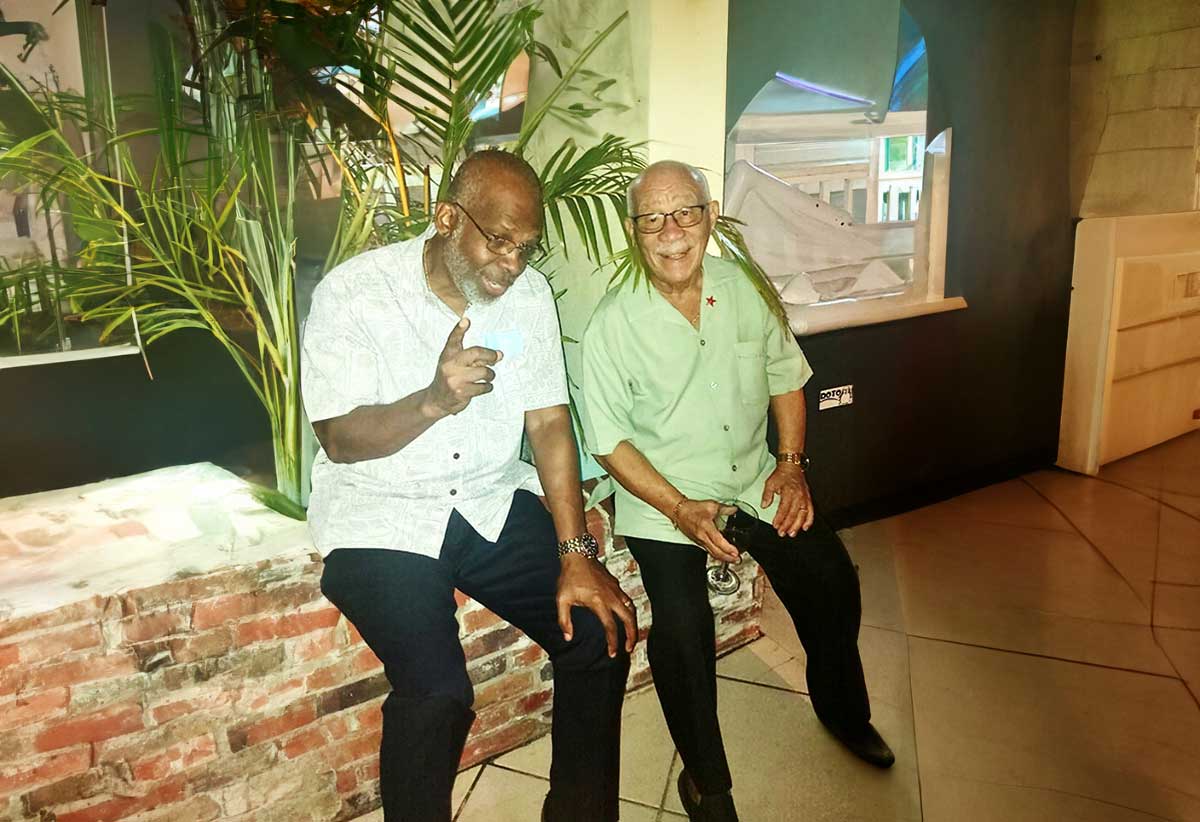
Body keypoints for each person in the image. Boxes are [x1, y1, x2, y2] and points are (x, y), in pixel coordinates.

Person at [301, 149, 637, 822]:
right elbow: (338, 438)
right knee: (437, 694)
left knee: (600, 635)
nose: (511, 264)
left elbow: (548, 423)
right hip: (381, 514)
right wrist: (432, 401)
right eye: (499, 241)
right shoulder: (354, 292)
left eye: (525, 247)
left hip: (487, 501)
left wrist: (577, 554)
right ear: (448, 218)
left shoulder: (529, 297)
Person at [578, 160, 893, 822]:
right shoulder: (612, 323)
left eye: (685, 213)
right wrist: (678, 508)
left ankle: (842, 711)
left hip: (753, 477)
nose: (671, 232)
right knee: (683, 630)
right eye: (652, 219)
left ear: (710, 216)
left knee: (831, 579)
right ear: (633, 230)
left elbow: (785, 375)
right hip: (663, 500)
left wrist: (791, 465)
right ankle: (706, 782)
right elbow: (609, 442)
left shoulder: (743, 286)